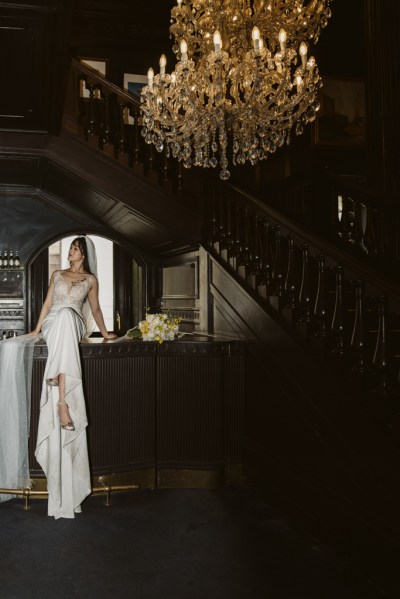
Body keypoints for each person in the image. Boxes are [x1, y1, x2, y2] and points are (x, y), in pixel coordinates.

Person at [28, 235, 117, 519]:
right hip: (54, 322)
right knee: (61, 315)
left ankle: (60, 397)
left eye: (75, 249)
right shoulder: (57, 274)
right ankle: (64, 402)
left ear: (84, 255)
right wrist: (36, 329)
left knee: (69, 316)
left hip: (74, 322)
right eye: (70, 248)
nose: (70, 252)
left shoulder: (90, 280)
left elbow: (96, 309)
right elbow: (46, 305)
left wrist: (105, 334)